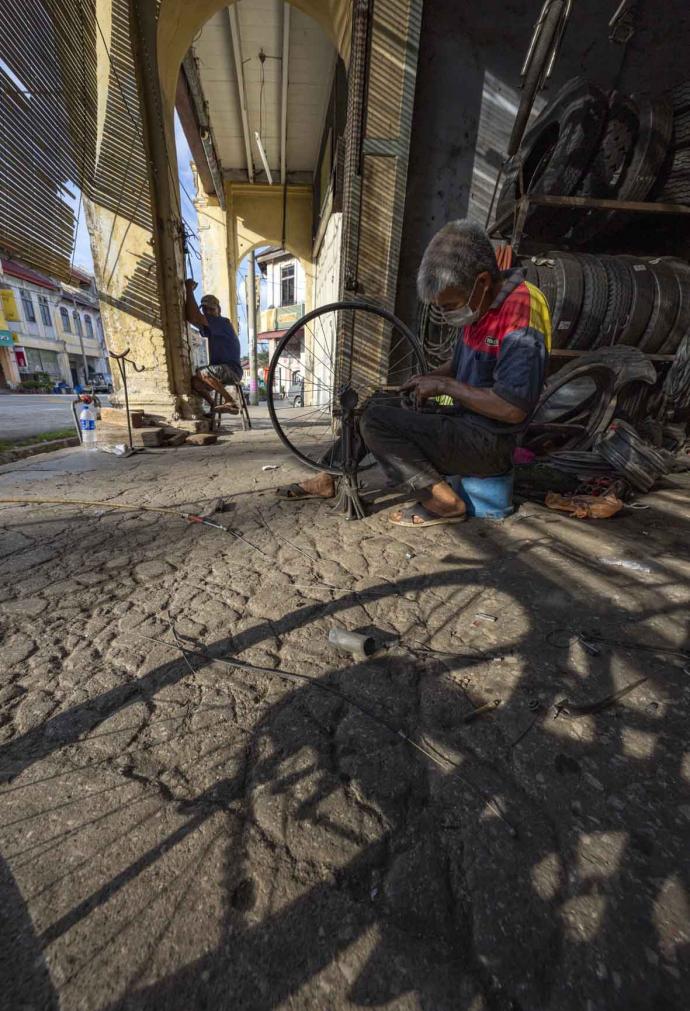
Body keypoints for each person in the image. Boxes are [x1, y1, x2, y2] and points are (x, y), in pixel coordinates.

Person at [277, 219, 551, 526]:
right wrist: (427, 379)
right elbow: (460, 365)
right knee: (376, 403)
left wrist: (445, 387)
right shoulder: (481, 305)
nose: (447, 314)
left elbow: (512, 408)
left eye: (451, 305)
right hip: (465, 419)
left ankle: (443, 503)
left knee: (377, 423)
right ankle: (330, 475)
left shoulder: (522, 309)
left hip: (490, 442)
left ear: (483, 282)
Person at [184, 279, 242, 414]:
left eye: (212, 309)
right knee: (194, 382)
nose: (208, 312)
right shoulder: (211, 325)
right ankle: (213, 405)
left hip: (232, 370)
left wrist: (189, 290)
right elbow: (193, 317)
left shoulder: (222, 322)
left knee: (201, 372)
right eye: (205, 309)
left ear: (218, 310)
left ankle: (230, 402)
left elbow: (192, 317)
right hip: (222, 370)